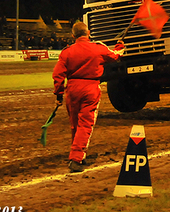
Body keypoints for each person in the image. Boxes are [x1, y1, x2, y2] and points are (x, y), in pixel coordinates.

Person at [53, 21, 125, 172]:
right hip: (91, 87)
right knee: (85, 124)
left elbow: (58, 75)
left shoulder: (67, 52)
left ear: (73, 35)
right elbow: (114, 56)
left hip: (72, 88)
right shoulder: (97, 48)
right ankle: (76, 158)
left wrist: (59, 95)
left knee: (75, 124)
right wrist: (119, 47)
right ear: (89, 33)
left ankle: (78, 154)